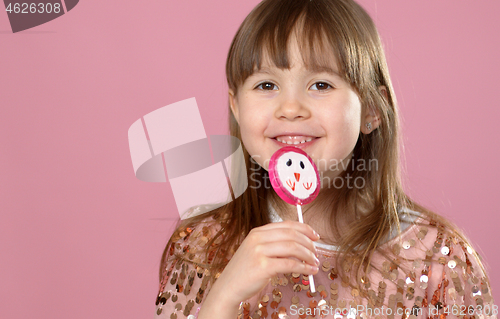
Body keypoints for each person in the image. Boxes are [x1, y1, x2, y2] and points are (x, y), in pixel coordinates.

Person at [154, 0, 496, 318]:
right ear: (236, 107)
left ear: (372, 110)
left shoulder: (437, 257)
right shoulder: (203, 247)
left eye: (320, 85)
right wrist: (224, 297)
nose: (290, 108)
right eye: (266, 85)